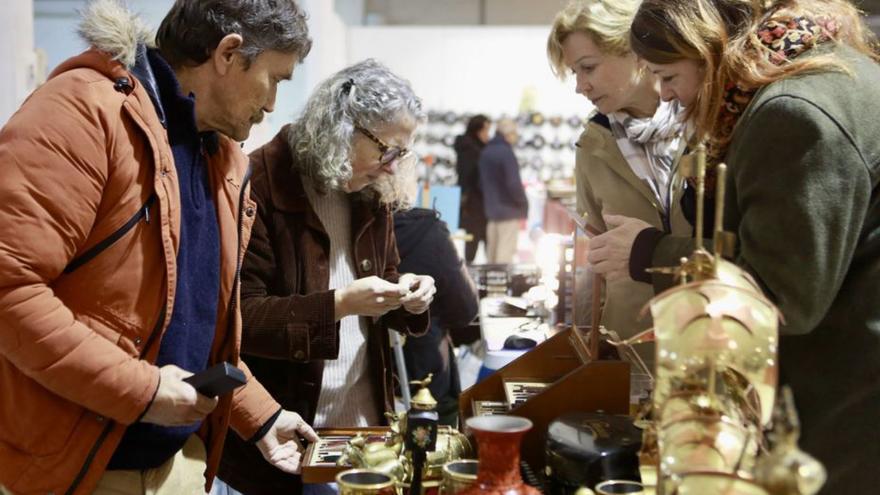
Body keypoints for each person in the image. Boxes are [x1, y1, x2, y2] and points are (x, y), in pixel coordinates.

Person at [0, 0, 318, 494]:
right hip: (75, 471)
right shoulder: (83, 113)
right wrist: (142, 391)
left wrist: (260, 417)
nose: (274, 103)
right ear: (229, 54)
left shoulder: (224, 161)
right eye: (276, 78)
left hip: (179, 468)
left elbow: (198, 328)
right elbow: (9, 290)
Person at [602, 1, 879, 492]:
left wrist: (650, 252)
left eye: (669, 75)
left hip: (844, 402)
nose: (666, 95)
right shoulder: (818, 69)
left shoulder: (792, 113)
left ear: (707, 47)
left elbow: (783, 293)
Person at [217, 59, 436, 495]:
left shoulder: (370, 192)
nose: (392, 167)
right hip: (287, 435)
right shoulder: (257, 183)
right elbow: (240, 320)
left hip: (363, 427)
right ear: (342, 128)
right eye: (385, 150)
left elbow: (385, 275)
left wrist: (408, 294)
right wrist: (339, 304)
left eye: (401, 153)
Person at [546, 0, 691, 350]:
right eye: (575, 73)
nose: (581, 86)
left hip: (711, 339)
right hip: (632, 346)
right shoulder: (592, 147)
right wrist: (584, 347)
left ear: (634, 51)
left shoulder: (706, 125)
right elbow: (592, 261)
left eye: (588, 68)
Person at [394, 205, 480, 426]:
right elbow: (466, 309)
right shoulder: (428, 231)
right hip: (426, 375)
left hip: (368, 379)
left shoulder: (352, 230)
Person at [479, 118, 528, 264]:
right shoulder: (506, 153)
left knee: (492, 256)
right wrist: (523, 204)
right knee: (504, 258)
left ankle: (490, 287)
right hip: (509, 211)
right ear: (509, 134)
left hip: (491, 212)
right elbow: (514, 184)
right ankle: (500, 287)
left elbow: (481, 183)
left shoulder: (486, 151)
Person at [455, 115, 492, 263]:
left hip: (478, 200)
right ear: (477, 130)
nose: (487, 135)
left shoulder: (475, 147)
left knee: (478, 236)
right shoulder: (470, 149)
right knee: (474, 237)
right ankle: (469, 272)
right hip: (474, 201)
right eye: (486, 130)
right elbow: (469, 176)